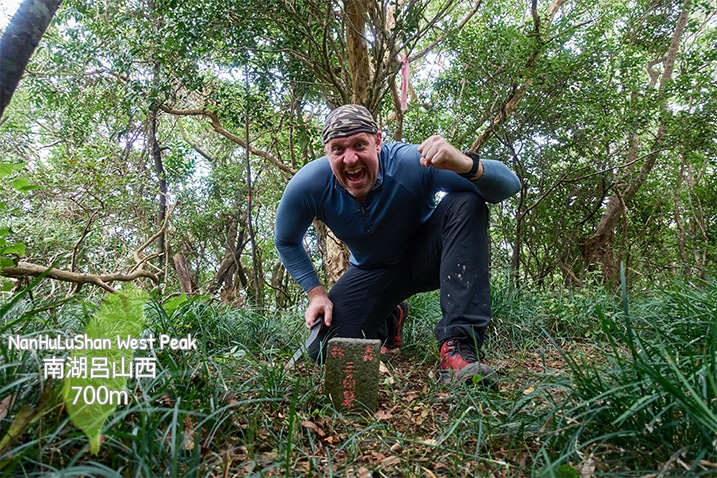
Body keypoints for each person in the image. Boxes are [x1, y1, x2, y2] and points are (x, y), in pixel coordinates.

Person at [274, 104, 521, 383]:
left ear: (378, 142)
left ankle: (458, 350)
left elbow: (510, 185)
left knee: (467, 201)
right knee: (324, 348)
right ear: (327, 153)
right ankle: (389, 317)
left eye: (359, 144)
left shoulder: (411, 163)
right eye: (338, 149)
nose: (350, 159)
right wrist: (316, 294)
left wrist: (464, 163)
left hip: (427, 258)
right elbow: (286, 240)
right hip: (372, 272)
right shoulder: (309, 185)